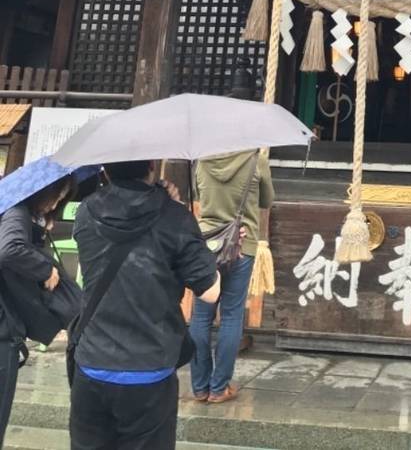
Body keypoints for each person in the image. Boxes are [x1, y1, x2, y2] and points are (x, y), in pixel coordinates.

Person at [70, 160, 220, 450]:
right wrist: (175, 211)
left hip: (91, 363)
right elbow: (210, 292)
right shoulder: (174, 217)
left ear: (106, 170)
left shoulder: (86, 211)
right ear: (153, 167)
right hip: (149, 367)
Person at [190, 148, 273, 404]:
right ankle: (219, 388)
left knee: (201, 316)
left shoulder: (202, 159)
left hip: (206, 246)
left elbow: (198, 196)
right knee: (231, 314)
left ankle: (200, 387)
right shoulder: (255, 159)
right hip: (241, 244)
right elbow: (266, 200)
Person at [0, 178, 71, 448]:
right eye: (57, 194)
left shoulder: (17, 212)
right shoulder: (16, 211)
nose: (56, 203)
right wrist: (45, 269)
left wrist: (39, 230)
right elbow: (9, 251)